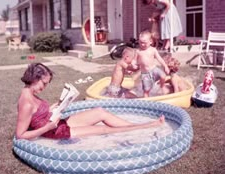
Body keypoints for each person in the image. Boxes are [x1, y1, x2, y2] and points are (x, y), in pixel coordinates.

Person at [16, 63, 165, 140]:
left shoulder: (29, 92)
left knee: (100, 112)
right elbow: (20, 135)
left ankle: (135, 126)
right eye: (44, 83)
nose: (45, 87)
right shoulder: (27, 102)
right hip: (54, 131)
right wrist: (47, 127)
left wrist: (54, 108)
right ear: (35, 78)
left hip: (56, 123)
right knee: (103, 130)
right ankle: (147, 126)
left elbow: (36, 116)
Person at [136, 30, 170, 97]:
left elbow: (159, 58)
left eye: (144, 43)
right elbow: (134, 61)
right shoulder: (138, 51)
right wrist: (132, 67)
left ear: (150, 41)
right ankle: (146, 100)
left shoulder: (153, 50)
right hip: (145, 73)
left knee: (163, 76)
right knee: (146, 89)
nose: (142, 44)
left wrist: (165, 66)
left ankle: (162, 86)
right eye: (140, 42)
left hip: (154, 69)